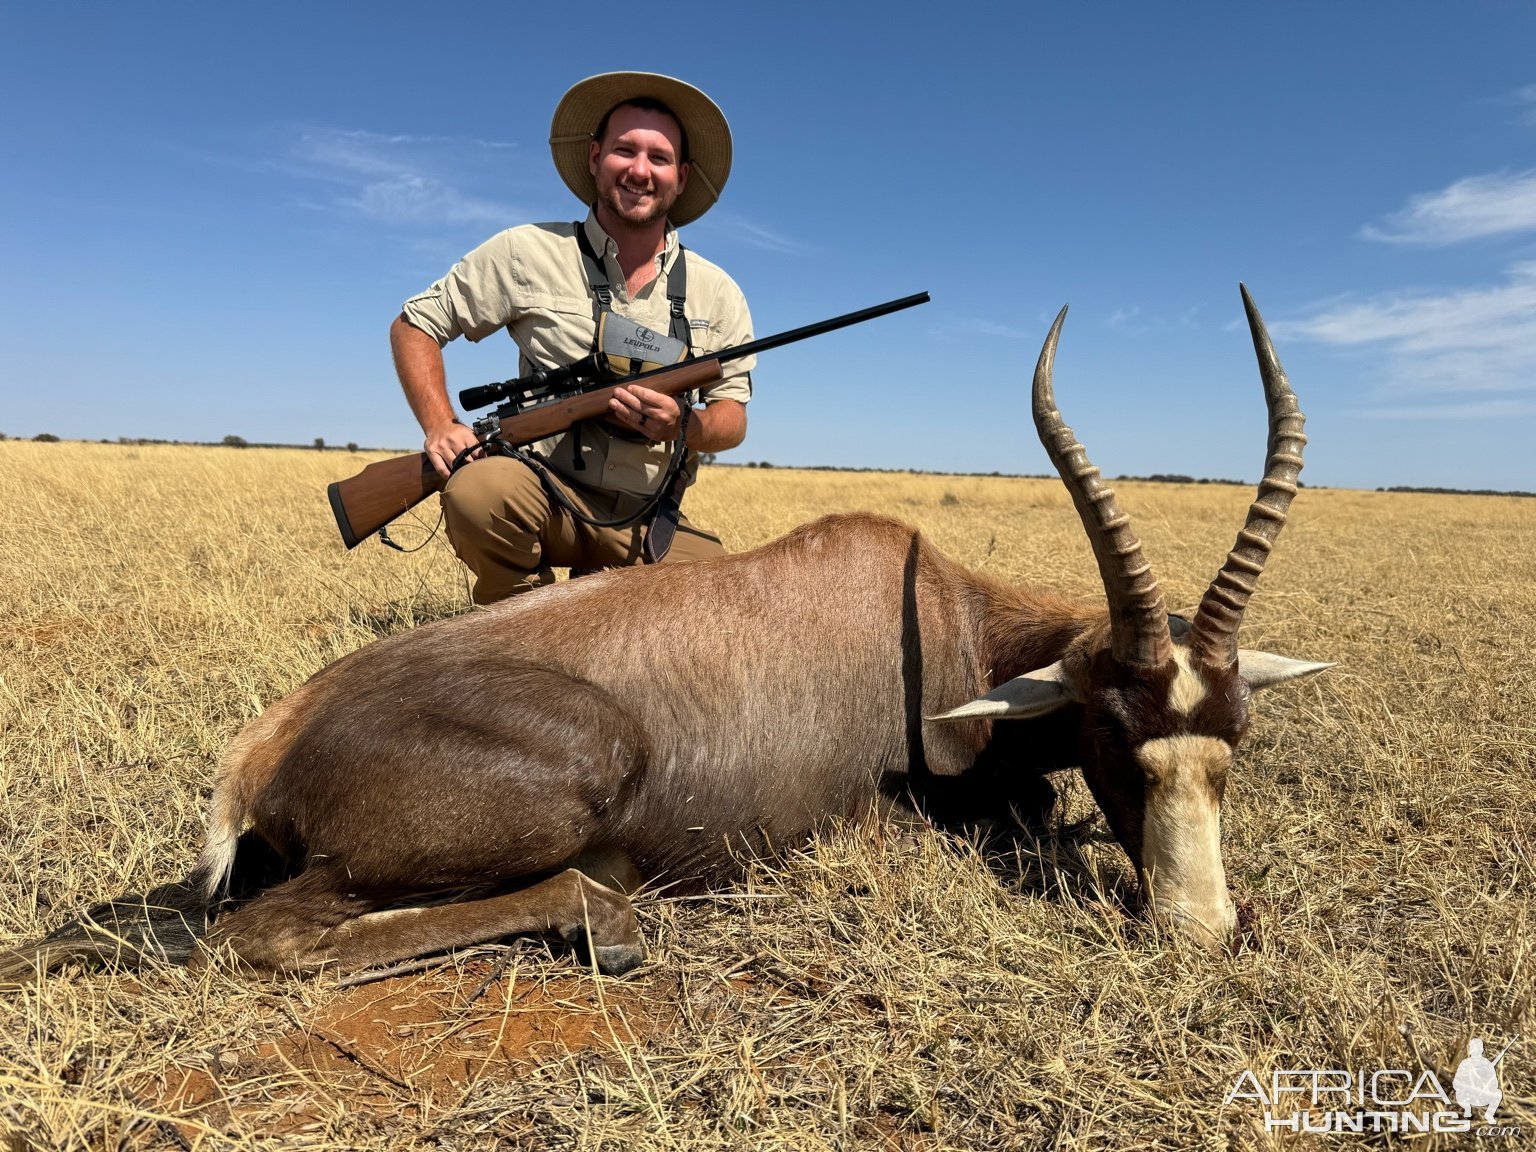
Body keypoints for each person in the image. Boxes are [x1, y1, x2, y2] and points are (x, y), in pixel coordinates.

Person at [390, 72, 753, 603]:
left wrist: (685, 424)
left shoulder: (717, 292)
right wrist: (440, 424)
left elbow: (732, 417)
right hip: (543, 494)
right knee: (477, 492)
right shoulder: (526, 251)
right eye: (624, 150)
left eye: (659, 157)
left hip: (647, 521)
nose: (639, 170)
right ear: (593, 157)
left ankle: (597, 597)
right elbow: (415, 325)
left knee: (730, 608)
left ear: (681, 176)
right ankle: (519, 632)